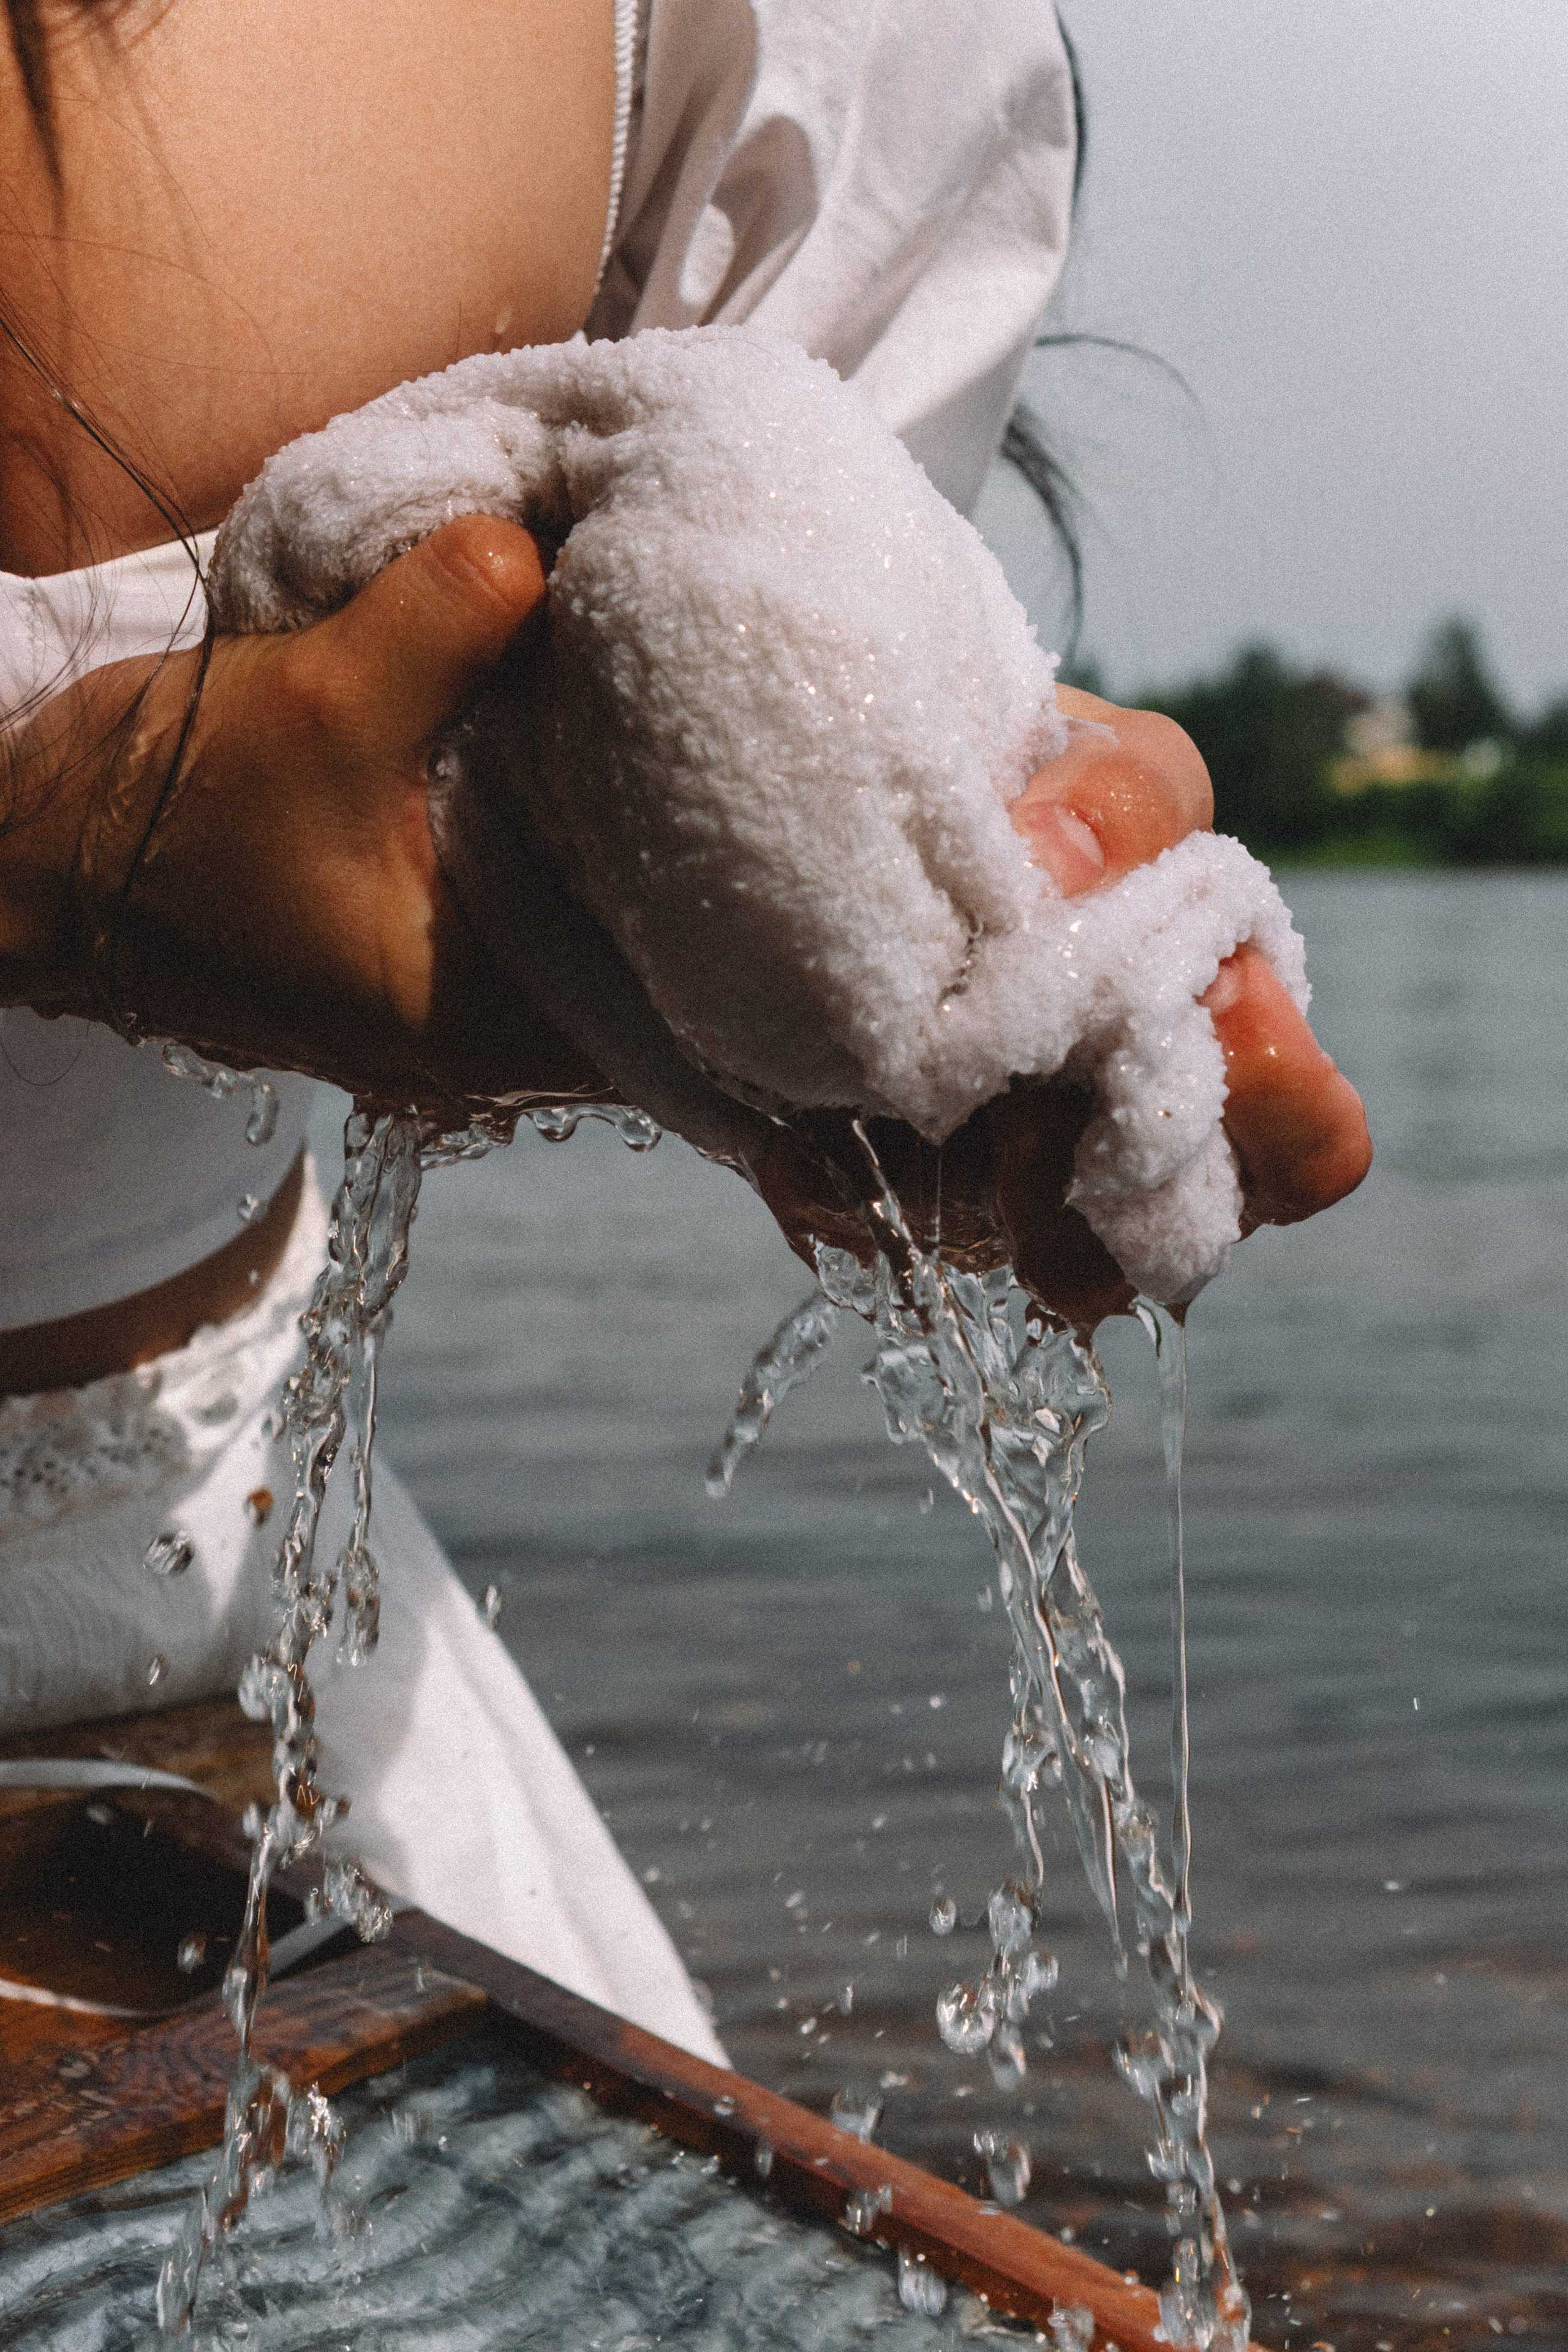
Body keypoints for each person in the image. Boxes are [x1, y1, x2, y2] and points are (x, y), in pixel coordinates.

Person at [0, 1, 1369, 2064]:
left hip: (235, 1610)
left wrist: (918, 830)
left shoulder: (793, 50)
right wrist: (56, 839)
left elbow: (728, 615)